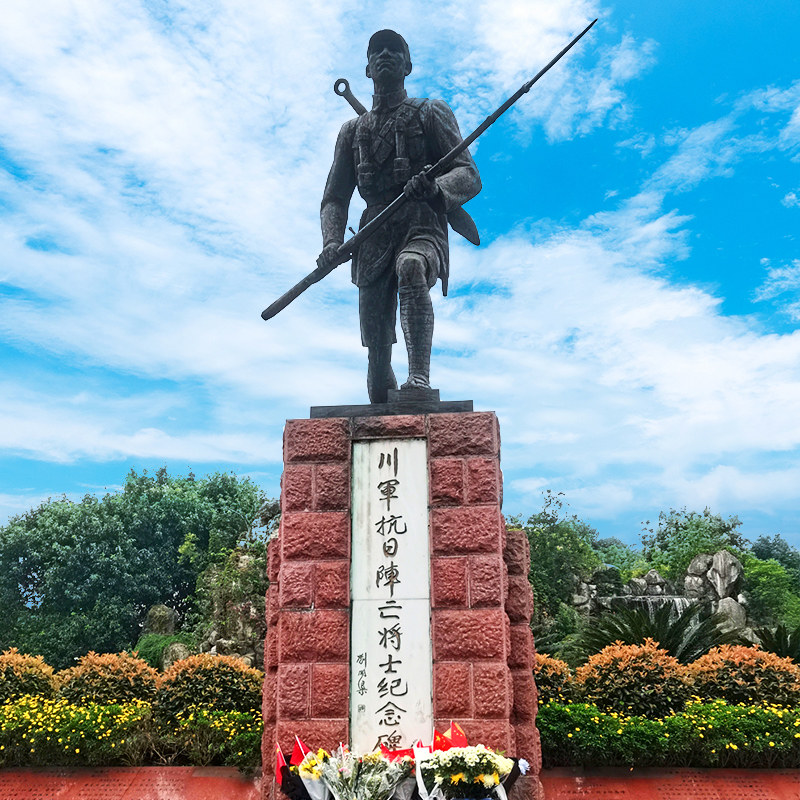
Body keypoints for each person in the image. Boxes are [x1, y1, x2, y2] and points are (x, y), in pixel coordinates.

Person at [317, 30, 481, 403]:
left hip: (421, 223)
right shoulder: (352, 132)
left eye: (394, 50)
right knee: (377, 369)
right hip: (373, 235)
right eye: (377, 50)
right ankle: (383, 392)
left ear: (408, 65)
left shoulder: (430, 112)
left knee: (411, 267)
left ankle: (418, 378)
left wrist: (436, 187)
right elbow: (334, 197)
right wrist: (331, 242)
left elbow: (468, 174)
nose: (385, 54)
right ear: (367, 68)